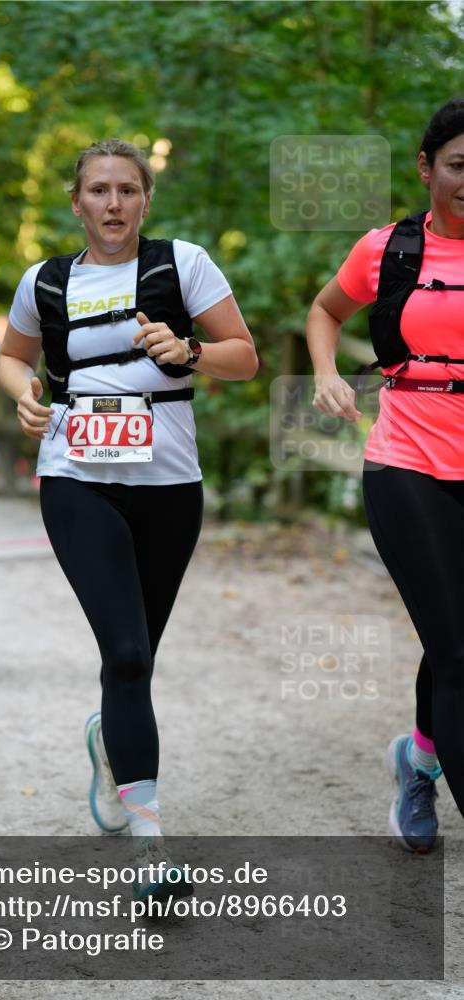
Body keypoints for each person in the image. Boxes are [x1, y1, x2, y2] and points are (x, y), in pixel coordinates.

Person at [0, 138, 258, 900]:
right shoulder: (44, 281)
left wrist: (188, 349)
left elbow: (243, 356)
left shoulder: (182, 265)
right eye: (98, 191)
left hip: (170, 486)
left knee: (133, 657)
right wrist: (21, 391)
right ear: (76, 202)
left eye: (127, 191)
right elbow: (12, 357)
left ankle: (107, 737)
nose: (112, 204)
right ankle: (149, 844)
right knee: (128, 654)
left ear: (146, 199)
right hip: (76, 479)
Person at [306, 98, 464, 849]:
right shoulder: (388, 248)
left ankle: (418, 760)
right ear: (425, 168)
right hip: (405, 457)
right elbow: (324, 311)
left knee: (451, 642)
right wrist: (323, 375)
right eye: (459, 166)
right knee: (457, 648)